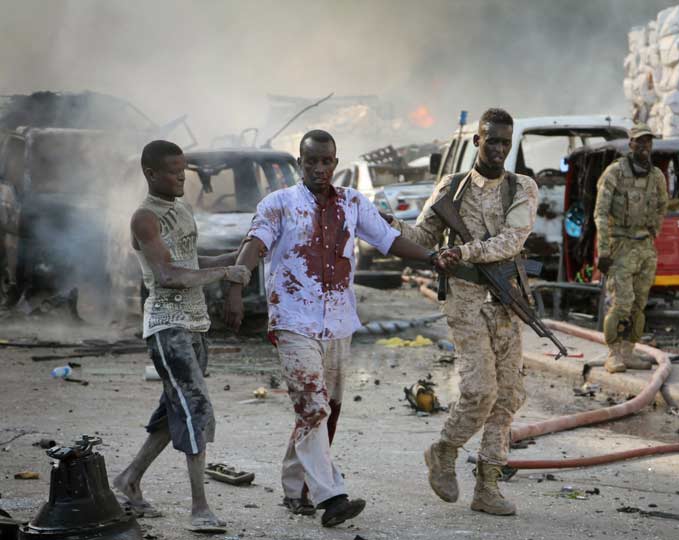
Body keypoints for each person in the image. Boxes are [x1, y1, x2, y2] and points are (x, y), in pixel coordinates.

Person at [223, 129, 450, 528]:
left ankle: (295, 488)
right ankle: (332, 497)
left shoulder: (353, 202)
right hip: (293, 319)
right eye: (311, 161)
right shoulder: (278, 204)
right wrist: (235, 290)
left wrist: (432, 257)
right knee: (313, 406)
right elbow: (254, 246)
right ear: (300, 163)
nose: (319, 168)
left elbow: (389, 240)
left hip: (339, 322)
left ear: (335, 163)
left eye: (326, 161)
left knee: (323, 411)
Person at [387, 108, 538, 515]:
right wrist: (391, 225)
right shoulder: (451, 188)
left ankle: (487, 486)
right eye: (492, 140)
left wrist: (464, 251)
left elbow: (511, 241)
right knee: (480, 390)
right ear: (477, 140)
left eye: (505, 142)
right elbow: (424, 235)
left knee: (508, 394)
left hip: (505, 299)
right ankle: (444, 450)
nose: (499, 149)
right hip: (465, 301)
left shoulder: (522, 187)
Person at [114, 140, 251, 533]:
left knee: (174, 411)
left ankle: (129, 479)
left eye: (183, 170)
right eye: (174, 172)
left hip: (195, 325)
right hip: (167, 327)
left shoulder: (183, 209)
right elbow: (168, 275)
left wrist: (230, 258)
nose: (181, 178)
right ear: (151, 173)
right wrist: (225, 273)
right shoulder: (145, 218)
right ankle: (199, 507)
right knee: (195, 408)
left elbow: (190, 263)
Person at [594, 123, 668, 374]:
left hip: (645, 249)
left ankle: (629, 351)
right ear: (631, 144)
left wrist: (653, 232)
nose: (645, 146)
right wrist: (604, 251)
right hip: (621, 246)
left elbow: (662, 206)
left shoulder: (656, 176)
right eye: (640, 141)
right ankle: (613, 354)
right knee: (621, 303)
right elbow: (600, 213)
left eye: (649, 141)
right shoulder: (614, 173)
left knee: (639, 304)